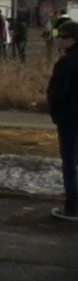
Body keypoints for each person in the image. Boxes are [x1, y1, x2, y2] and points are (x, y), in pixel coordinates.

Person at [48, 21, 78, 220]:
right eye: (59, 36)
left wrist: (57, 115)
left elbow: (57, 93)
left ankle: (72, 206)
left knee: (70, 162)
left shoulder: (66, 63)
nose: (60, 40)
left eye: (64, 37)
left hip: (70, 119)